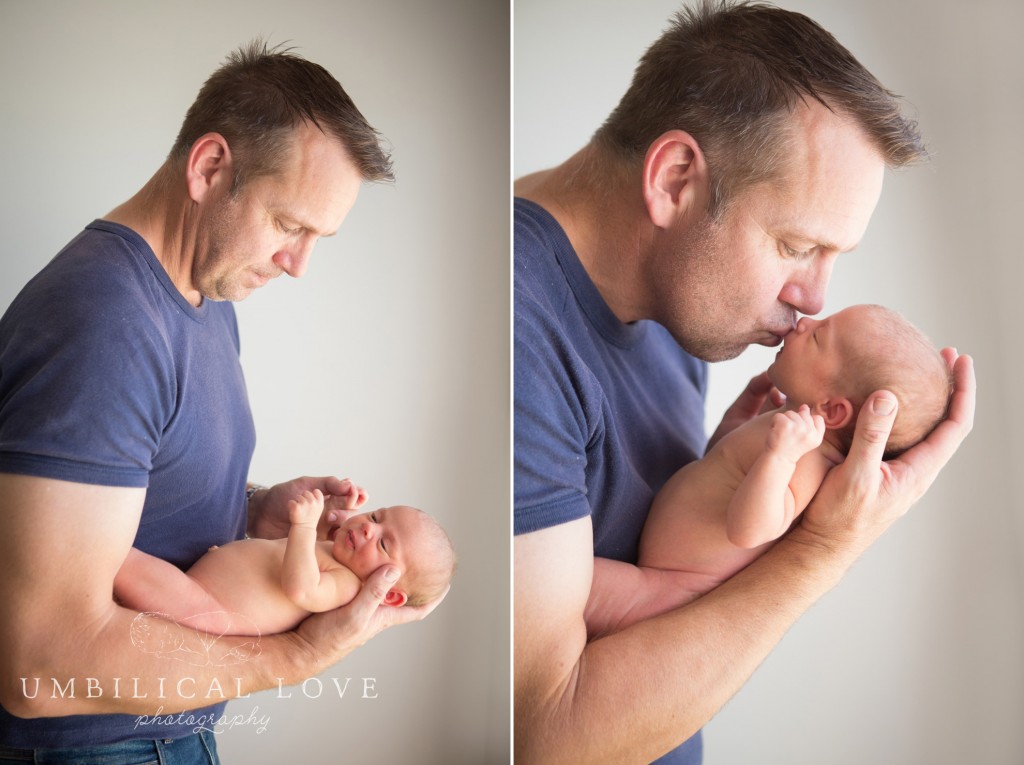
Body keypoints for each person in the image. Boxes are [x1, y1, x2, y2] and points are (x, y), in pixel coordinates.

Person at [513, 3, 975, 764]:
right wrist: (823, 549)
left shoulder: (681, 298)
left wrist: (725, 452)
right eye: (797, 244)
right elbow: (546, 735)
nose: (814, 297)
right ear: (675, 179)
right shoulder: (522, 323)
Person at [0, 41, 444, 761]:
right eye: (290, 225)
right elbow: (42, 664)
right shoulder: (104, 323)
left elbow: (123, 493)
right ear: (210, 168)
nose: (299, 265)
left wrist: (253, 508)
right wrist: (296, 657)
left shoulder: (205, 297)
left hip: (166, 732)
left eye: (316, 238)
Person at [585, 304, 953, 638]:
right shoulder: (789, 431)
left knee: (555, 586)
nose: (806, 321)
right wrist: (736, 424)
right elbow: (721, 472)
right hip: (659, 568)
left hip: (663, 591)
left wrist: (777, 457)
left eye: (819, 336)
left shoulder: (805, 464)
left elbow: (749, 530)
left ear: (833, 410)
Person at [114, 486, 456, 637]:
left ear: (389, 593)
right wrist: (338, 516)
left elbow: (302, 587)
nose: (369, 527)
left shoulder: (346, 585)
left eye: (383, 542)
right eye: (377, 516)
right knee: (118, 574)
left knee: (117, 560)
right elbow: (315, 547)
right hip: (198, 586)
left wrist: (305, 525)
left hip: (204, 606)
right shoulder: (334, 553)